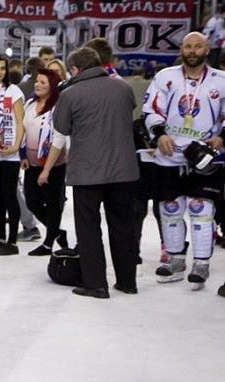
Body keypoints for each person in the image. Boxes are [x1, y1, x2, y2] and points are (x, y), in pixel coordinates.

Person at [52, 46, 139, 298]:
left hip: (88, 172)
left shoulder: (71, 93)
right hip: (123, 171)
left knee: (89, 228)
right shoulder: (123, 87)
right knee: (123, 227)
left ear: (76, 69)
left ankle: (95, 284)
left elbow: (62, 128)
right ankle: (127, 281)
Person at [143, 32, 225, 289]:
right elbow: (151, 110)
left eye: (197, 46)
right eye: (188, 46)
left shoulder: (221, 80)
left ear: (207, 48)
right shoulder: (165, 77)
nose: (192, 50)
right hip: (170, 154)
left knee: (201, 208)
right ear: (181, 49)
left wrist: (222, 137)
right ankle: (175, 260)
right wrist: (160, 134)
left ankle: (201, 263)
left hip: (205, 156)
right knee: (170, 208)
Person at [21, 68, 68, 256]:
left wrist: (46, 170)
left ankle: (49, 243)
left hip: (53, 165)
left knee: (52, 203)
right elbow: (23, 131)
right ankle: (56, 232)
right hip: (31, 164)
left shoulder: (58, 107)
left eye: (43, 82)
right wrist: (22, 155)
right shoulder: (30, 104)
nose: (37, 85)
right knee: (32, 202)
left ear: (52, 87)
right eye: (37, 81)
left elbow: (59, 138)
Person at [0, 54, 24, 255]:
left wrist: (17, 146)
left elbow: (20, 122)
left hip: (11, 153)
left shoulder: (13, 90)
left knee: (9, 196)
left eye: (2, 68)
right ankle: (0, 237)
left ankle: (13, 241)